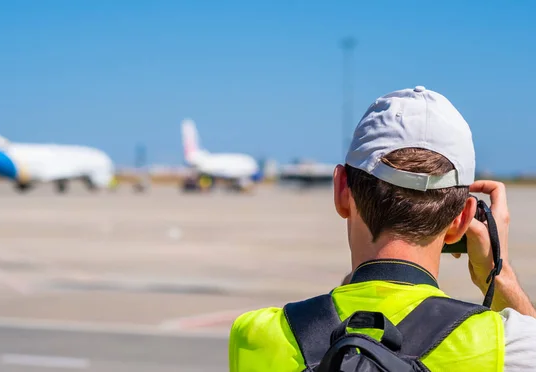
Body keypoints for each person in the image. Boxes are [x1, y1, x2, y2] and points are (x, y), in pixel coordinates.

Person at [228, 86, 536, 371]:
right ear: (461, 219)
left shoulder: (257, 335)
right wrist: (499, 274)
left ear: (341, 192)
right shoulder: (504, 344)